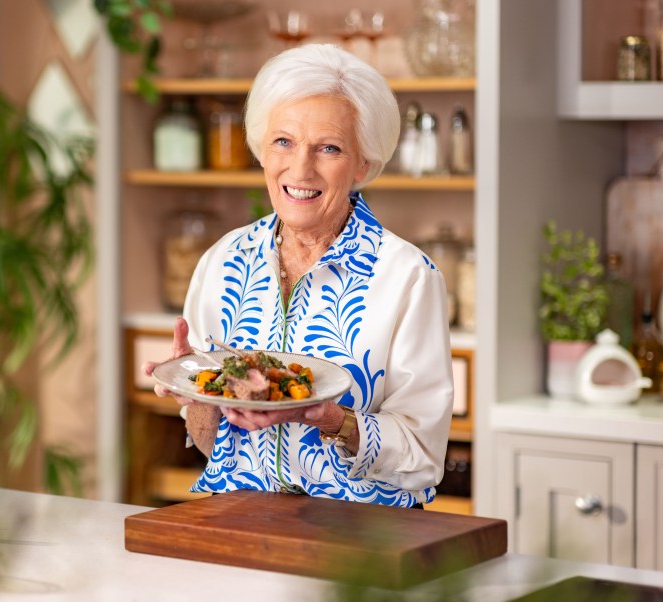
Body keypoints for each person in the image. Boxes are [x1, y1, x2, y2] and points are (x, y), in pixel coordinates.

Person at [142, 44, 453, 507]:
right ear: (262, 151)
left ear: (363, 164)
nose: (300, 169)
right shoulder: (222, 261)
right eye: (283, 142)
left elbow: (423, 456)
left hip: (356, 549)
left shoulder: (408, 277)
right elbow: (215, 450)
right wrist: (198, 398)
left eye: (329, 148)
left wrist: (332, 420)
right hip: (239, 525)